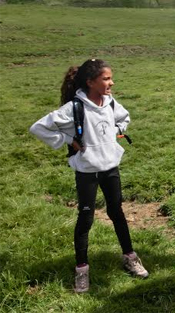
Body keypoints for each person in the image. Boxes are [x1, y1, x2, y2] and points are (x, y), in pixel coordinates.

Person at [29, 59, 148, 293]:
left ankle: (130, 257)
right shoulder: (75, 108)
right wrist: (67, 139)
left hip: (110, 169)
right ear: (90, 82)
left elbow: (124, 118)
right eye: (106, 79)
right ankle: (81, 269)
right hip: (86, 172)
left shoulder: (110, 102)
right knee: (86, 220)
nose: (111, 82)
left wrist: (115, 131)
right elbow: (38, 128)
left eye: (111, 78)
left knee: (117, 212)